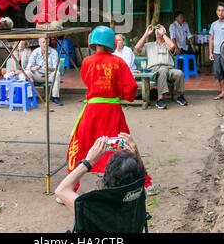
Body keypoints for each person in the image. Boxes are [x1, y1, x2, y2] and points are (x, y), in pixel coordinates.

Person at [66, 26, 153, 194]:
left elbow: (86, 80)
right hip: (113, 111)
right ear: (111, 43)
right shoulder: (118, 62)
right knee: (126, 144)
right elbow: (131, 87)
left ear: (93, 43)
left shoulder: (87, 62)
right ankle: (146, 183)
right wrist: (120, 93)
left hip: (91, 110)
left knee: (77, 146)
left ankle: (70, 187)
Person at [55, 133, 146, 214]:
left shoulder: (91, 207)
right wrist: (136, 155)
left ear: (106, 178)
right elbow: (141, 178)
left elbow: (61, 190)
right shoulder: (138, 197)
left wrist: (89, 161)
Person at [135, 24, 188, 109]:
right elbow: (137, 48)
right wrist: (146, 34)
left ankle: (180, 96)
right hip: (154, 71)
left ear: (165, 33)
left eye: (160, 30)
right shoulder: (149, 45)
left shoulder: (167, 44)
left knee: (179, 73)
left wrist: (163, 34)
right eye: (157, 30)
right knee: (163, 71)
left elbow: (172, 46)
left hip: (169, 69)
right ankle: (160, 100)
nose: (158, 31)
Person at [25, 37, 63, 106]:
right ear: (39, 44)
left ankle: (55, 97)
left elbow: (56, 68)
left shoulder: (53, 52)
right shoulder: (35, 52)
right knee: (27, 73)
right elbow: (29, 66)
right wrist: (34, 68)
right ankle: (30, 97)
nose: (46, 44)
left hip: (49, 75)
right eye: (44, 42)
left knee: (56, 74)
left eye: (47, 42)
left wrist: (49, 68)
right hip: (38, 75)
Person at [209, 2, 224, 102]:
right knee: (219, 73)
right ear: (216, 12)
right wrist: (210, 53)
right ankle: (223, 92)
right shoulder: (214, 24)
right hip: (216, 53)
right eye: (219, 10)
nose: (221, 13)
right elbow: (211, 39)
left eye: (223, 11)